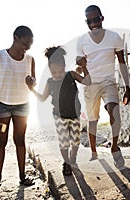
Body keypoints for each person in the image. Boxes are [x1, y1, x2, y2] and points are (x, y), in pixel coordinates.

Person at [76, 5, 130, 168]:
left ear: (102, 18)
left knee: (115, 112)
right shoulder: (82, 41)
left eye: (96, 19)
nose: (94, 23)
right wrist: (79, 64)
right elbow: (80, 66)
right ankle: (94, 152)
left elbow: (122, 62)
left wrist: (127, 86)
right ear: (87, 22)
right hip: (90, 84)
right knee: (93, 119)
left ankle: (114, 147)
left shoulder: (114, 37)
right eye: (90, 21)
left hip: (109, 82)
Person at [0, 25, 36, 194]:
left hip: (22, 107)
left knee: (20, 140)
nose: (26, 48)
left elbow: (32, 86)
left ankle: (22, 176)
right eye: (24, 43)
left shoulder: (30, 60)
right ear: (15, 38)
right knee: (0, 141)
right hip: (2, 108)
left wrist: (32, 83)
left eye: (29, 45)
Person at [27, 46, 91, 176]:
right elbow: (42, 98)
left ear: (65, 66)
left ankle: (72, 159)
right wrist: (31, 89)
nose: (57, 75)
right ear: (49, 69)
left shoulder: (71, 75)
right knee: (64, 142)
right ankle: (66, 163)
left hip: (75, 116)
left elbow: (88, 81)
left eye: (60, 72)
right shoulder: (50, 82)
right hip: (59, 117)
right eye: (54, 72)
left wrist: (84, 66)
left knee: (76, 141)